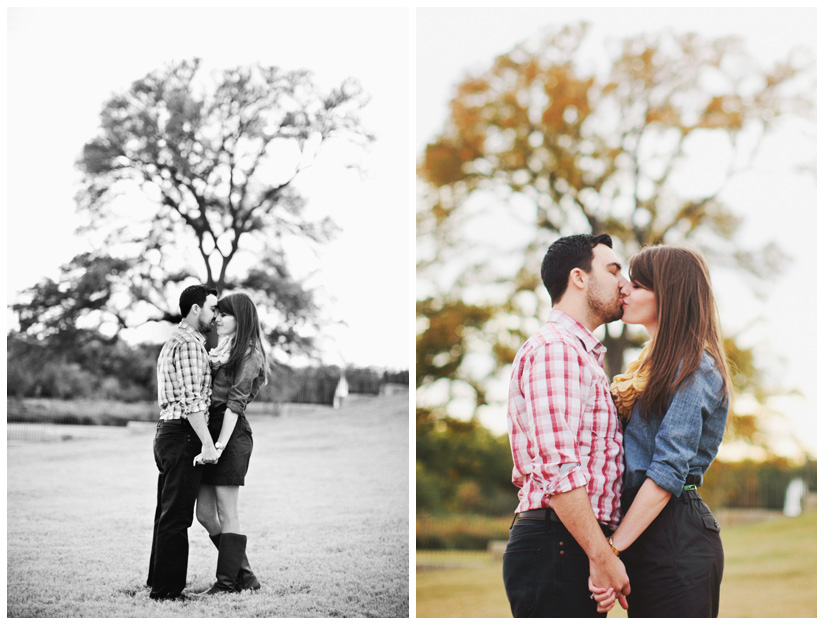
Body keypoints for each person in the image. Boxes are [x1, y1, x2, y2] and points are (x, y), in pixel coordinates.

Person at [590, 245, 731, 617]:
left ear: (667, 295)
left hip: (675, 533)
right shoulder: (646, 365)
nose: (624, 290)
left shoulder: (695, 367)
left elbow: (667, 470)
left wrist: (610, 552)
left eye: (636, 286)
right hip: (643, 528)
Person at [502, 233, 631, 618]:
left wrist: (597, 549)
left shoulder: (581, 353)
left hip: (570, 541)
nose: (623, 282)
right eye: (613, 271)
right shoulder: (556, 349)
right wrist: (600, 553)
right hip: (558, 543)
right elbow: (558, 465)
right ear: (579, 277)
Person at [148, 284, 220, 601]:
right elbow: (192, 401)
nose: (215, 314)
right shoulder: (190, 344)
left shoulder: (174, 341)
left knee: (165, 513)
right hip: (183, 434)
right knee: (177, 517)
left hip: (166, 432)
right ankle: (167, 591)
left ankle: (157, 581)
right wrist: (207, 442)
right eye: (212, 308)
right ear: (195, 309)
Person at [194, 292, 269, 594]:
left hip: (230, 436)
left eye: (225, 314)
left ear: (242, 319)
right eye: (218, 313)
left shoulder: (249, 355)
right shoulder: (220, 349)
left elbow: (234, 406)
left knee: (227, 513)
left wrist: (219, 446)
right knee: (204, 514)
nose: (218, 318)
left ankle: (226, 584)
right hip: (209, 434)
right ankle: (246, 577)